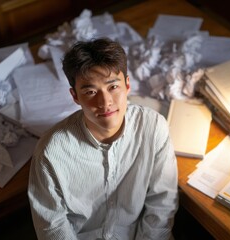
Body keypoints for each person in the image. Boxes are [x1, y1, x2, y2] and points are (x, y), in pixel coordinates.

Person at [28, 37, 178, 240]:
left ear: (127, 85)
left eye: (113, 87)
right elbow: (53, 227)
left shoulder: (154, 127)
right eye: (90, 91)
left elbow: (162, 203)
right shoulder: (50, 152)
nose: (105, 102)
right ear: (75, 97)